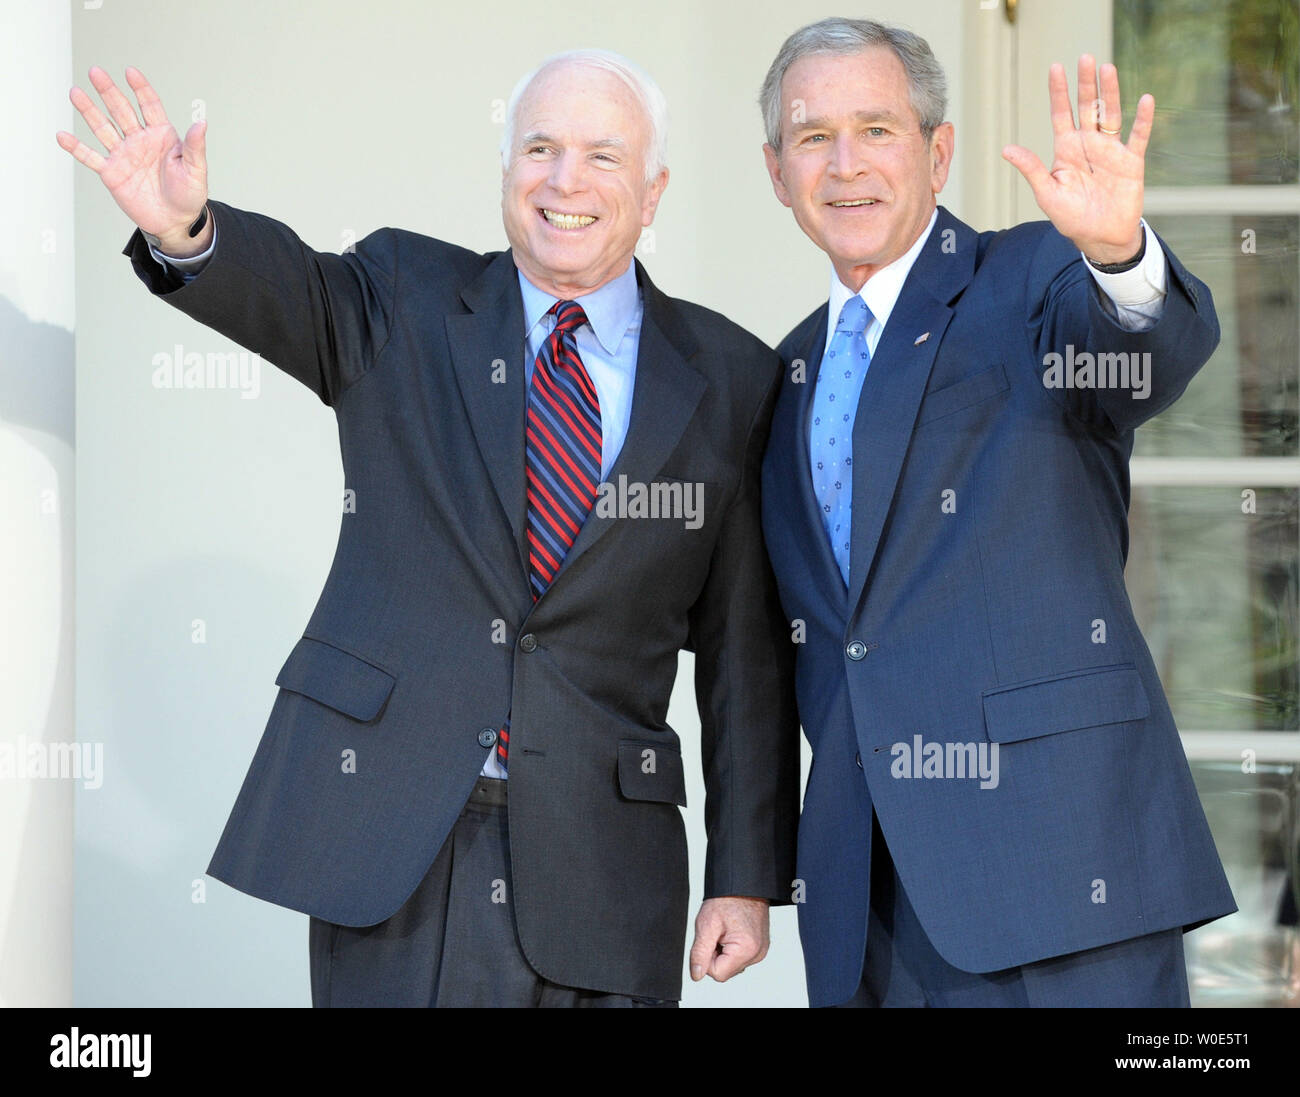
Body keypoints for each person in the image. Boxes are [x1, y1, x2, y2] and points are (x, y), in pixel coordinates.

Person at [58, 49, 799, 1007]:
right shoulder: (404, 294)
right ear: (505, 174)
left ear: (652, 191)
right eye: (539, 148)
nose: (565, 180)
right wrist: (188, 231)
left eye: (602, 157)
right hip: (400, 843)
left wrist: (743, 873)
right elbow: (293, 293)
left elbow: (744, 656)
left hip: (606, 863)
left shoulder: (731, 377)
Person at [757, 17, 1236, 1007]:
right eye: (812, 137)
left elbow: (1140, 357)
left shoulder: (1027, 280)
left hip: (1062, 884)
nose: (844, 165)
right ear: (775, 169)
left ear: (937, 151)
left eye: (877, 129)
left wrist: (1117, 256)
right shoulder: (783, 371)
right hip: (867, 908)